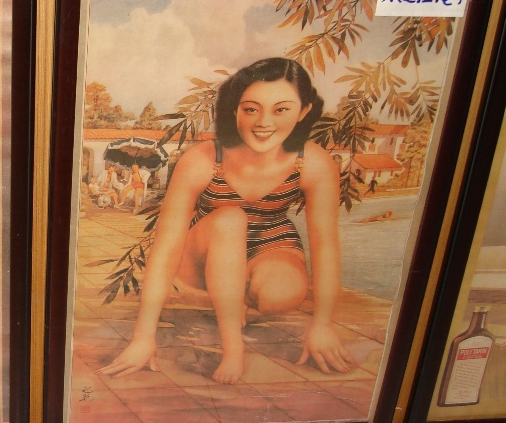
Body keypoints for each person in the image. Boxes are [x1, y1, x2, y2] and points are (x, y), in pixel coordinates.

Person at [99, 57, 353, 384]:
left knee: (281, 294)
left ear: (303, 111)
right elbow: (166, 248)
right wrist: (142, 338)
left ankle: (234, 296)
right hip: (203, 251)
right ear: (235, 110)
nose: (264, 122)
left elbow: (325, 246)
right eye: (251, 109)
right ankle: (233, 349)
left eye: (281, 110)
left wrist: (323, 325)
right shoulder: (203, 159)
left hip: (271, 242)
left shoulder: (312, 162)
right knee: (230, 218)